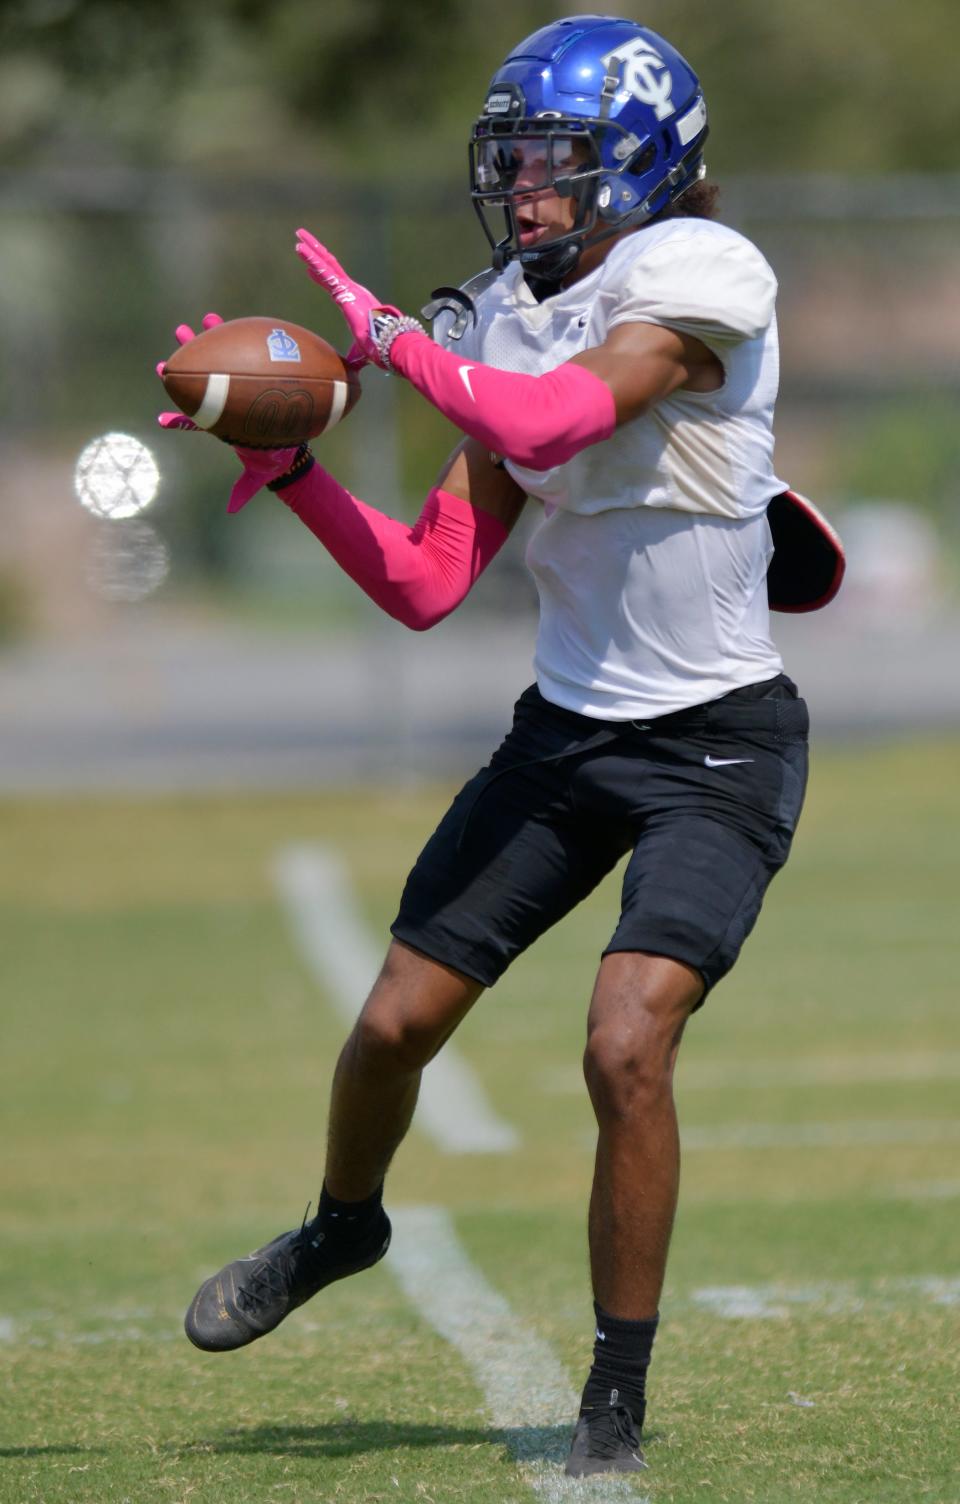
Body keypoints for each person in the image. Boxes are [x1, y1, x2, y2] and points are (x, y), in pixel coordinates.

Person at [162, 16, 821, 1478]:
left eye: (553, 161)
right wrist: (293, 472)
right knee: (394, 1022)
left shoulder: (698, 278)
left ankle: (615, 1393)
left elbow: (566, 407)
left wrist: (400, 346)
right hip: (568, 734)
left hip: (718, 742)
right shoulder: (501, 315)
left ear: (641, 165)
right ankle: (344, 1224)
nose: (522, 187)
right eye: (510, 159)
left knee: (626, 1040)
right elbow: (426, 584)